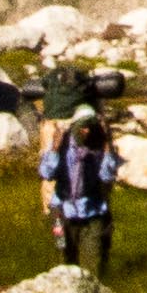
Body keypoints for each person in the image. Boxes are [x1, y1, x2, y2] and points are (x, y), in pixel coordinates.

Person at [40, 102, 120, 280]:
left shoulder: (99, 144)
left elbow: (107, 176)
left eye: (90, 127)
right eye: (82, 127)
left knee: (94, 264)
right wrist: (54, 148)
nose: (87, 132)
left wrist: (107, 147)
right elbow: (46, 173)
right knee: (61, 256)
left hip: (93, 210)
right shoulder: (62, 144)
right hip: (61, 211)